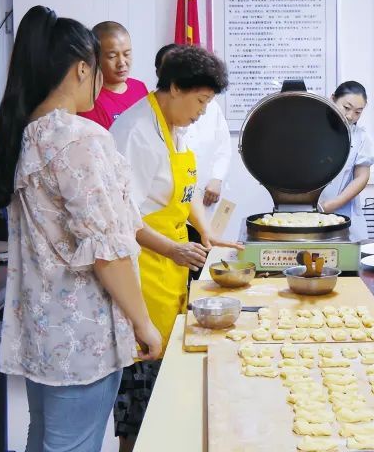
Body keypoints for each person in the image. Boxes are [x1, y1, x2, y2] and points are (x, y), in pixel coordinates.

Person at [0, 6, 161, 452]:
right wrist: (144, 323)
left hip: (44, 327)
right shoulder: (80, 138)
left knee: (45, 438)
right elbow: (107, 250)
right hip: (84, 335)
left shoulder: (26, 133)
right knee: (72, 444)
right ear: (84, 68)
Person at [110, 46, 241, 450]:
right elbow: (121, 217)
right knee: (140, 395)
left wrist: (206, 233)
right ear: (175, 87)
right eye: (200, 101)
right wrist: (172, 249)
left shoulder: (175, 128)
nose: (202, 111)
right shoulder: (136, 133)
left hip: (168, 269)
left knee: (164, 391)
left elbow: (186, 192)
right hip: (140, 275)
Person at [155, 45, 232, 219]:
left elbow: (223, 148)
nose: (203, 111)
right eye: (201, 101)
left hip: (200, 200)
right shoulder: (143, 128)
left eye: (206, 101)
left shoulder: (207, 109)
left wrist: (217, 178)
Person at [318, 81, 374, 241]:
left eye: (358, 112)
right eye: (346, 108)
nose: (350, 116)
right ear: (333, 99)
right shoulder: (313, 130)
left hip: (343, 210)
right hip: (306, 209)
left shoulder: (361, 137)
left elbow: (361, 177)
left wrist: (331, 205)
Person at [79, 21, 148, 129]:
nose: (122, 63)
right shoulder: (89, 101)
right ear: (96, 58)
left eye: (127, 54)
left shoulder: (140, 87)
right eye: (112, 56)